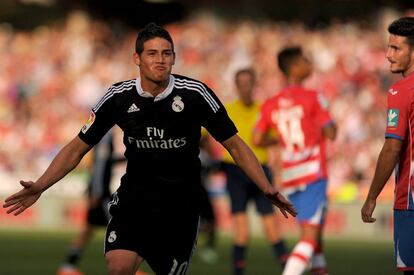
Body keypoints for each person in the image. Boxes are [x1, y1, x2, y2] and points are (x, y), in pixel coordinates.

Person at [3, 23, 296, 275]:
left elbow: (234, 143)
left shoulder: (195, 95)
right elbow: (77, 147)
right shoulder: (117, 97)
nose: (160, 60)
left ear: (174, 58)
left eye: (166, 54)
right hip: (135, 199)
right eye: (152, 53)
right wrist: (40, 184)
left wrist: (266, 186)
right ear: (137, 58)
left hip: (180, 206)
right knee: (118, 266)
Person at [253, 47, 337, 275]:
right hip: (312, 174)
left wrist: (280, 140)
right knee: (309, 240)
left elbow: (257, 138)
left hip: (291, 176)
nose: (309, 63)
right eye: (305, 60)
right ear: (294, 68)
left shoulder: (271, 103)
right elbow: (331, 132)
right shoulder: (313, 96)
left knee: (315, 239)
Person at [221, 68, 289, 275]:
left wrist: (264, 141)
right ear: (236, 86)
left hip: (260, 171)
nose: (245, 88)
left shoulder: (264, 109)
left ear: (254, 85)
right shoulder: (227, 109)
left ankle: (290, 270)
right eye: (241, 84)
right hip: (235, 172)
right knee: (241, 232)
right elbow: (204, 135)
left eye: (248, 83)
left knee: (272, 230)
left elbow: (277, 137)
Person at [361, 17, 414, 275]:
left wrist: (371, 197)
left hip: (411, 199)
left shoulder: (400, 92)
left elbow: (392, 149)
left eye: (396, 48)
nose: (387, 55)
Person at [57, 131, 148, 275]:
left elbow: (105, 161)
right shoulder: (105, 134)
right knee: (123, 226)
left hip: (99, 191)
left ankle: (68, 266)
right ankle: (131, 267)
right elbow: (100, 164)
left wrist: (126, 157)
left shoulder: (105, 133)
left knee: (88, 229)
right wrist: (97, 191)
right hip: (101, 193)